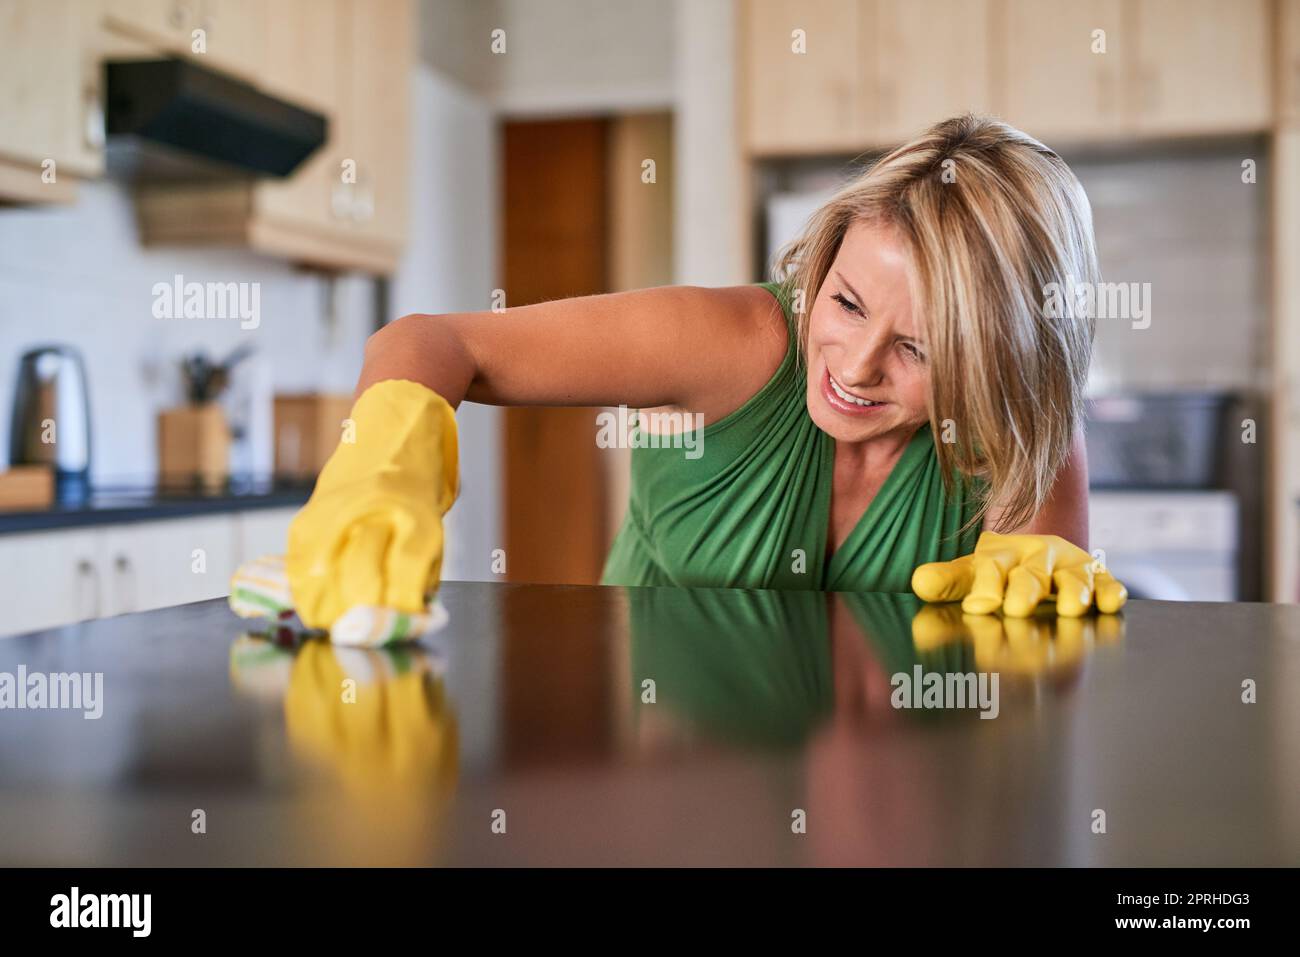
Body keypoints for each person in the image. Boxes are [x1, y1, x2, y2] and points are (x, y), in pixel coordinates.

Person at [281, 115, 1127, 638]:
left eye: (922, 350)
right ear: (822, 261)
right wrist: (381, 468)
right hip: (665, 793)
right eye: (847, 303)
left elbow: (1025, 705)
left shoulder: (1022, 433)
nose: (855, 367)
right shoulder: (735, 345)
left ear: (999, 367)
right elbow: (431, 341)